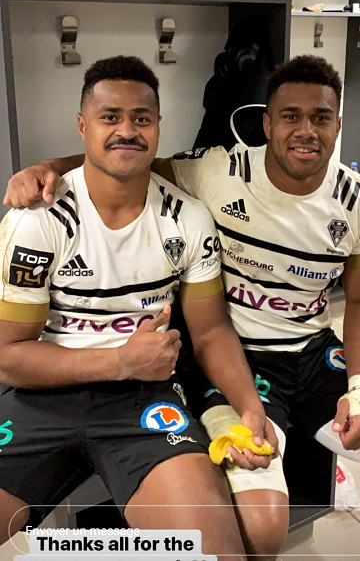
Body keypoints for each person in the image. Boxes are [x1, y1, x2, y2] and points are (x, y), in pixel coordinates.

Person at [5, 55, 360, 561]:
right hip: (239, 362)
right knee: (261, 530)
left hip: (313, 354)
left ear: (338, 125)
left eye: (321, 118)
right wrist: (48, 168)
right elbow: (125, 160)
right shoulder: (217, 172)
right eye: (290, 116)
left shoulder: (359, 199)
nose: (306, 131)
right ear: (267, 123)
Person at [0, 55, 277, 557]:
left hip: (144, 401)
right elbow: (9, 356)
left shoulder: (188, 218)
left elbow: (211, 332)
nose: (126, 130)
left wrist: (249, 407)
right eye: (110, 117)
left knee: (219, 553)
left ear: (158, 126)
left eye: (141, 118)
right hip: (42, 395)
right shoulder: (36, 220)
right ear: (82, 126)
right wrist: (119, 361)